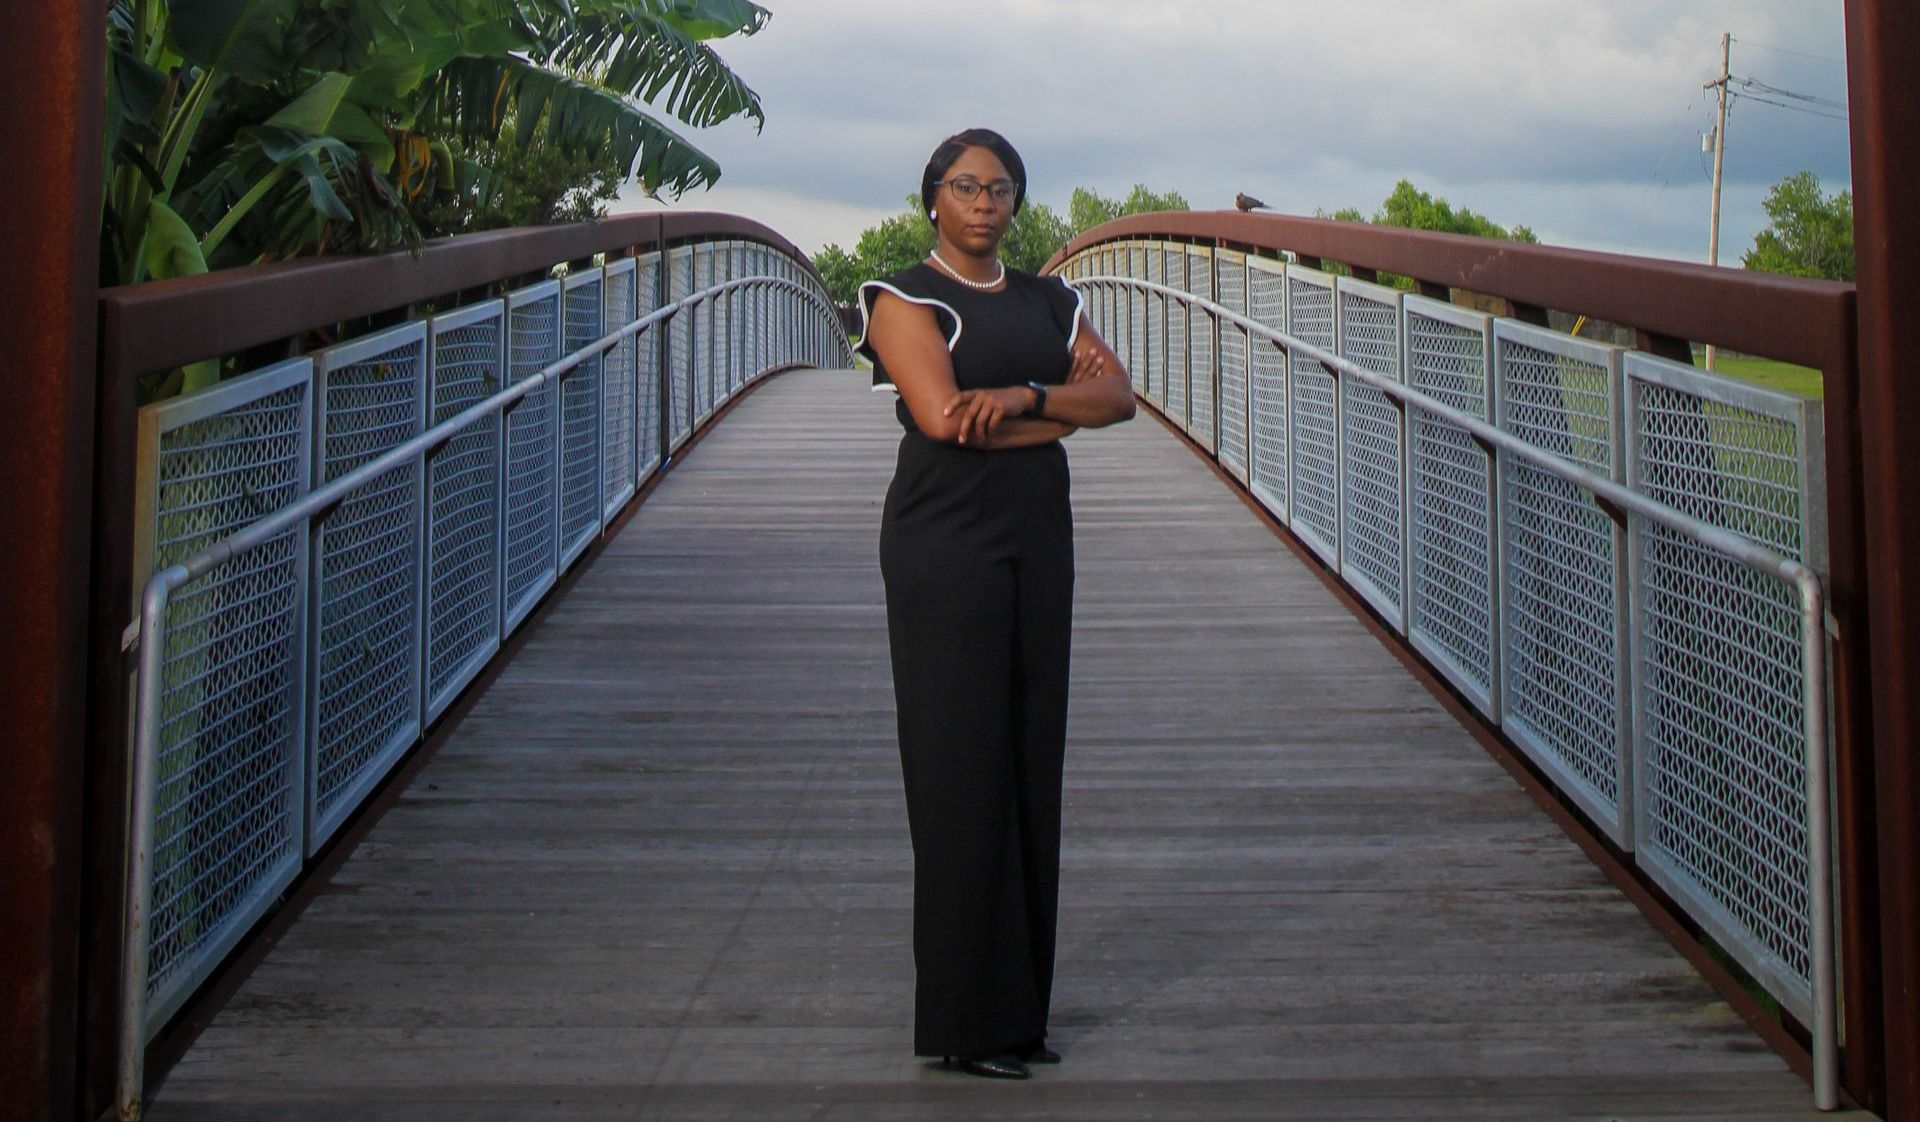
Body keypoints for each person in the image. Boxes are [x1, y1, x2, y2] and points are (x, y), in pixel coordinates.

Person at [853, 128, 1136, 1081]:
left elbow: (1122, 399)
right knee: (958, 765)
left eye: (1002, 187)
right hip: (945, 544)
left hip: (1037, 541)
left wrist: (1018, 399)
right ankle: (965, 1024)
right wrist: (1055, 412)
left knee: (1027, 754)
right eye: (966, 186)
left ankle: (1018, 1017)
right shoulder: (905, 296)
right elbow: (939, 420)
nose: (985, 202)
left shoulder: (1051, 299)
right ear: (933, 196)